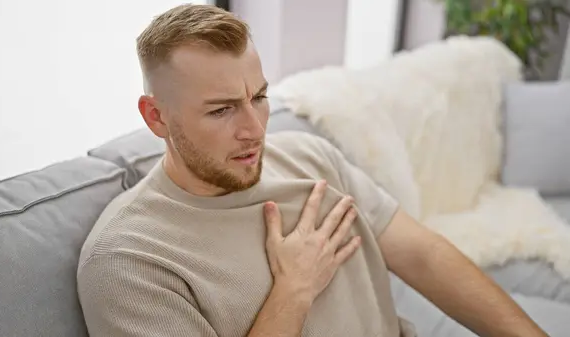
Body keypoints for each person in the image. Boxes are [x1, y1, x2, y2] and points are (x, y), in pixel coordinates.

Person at [77, 4, 547, 337]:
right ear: (156, 116)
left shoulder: (306, 155)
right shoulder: (129, 260)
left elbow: (423, 256)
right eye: (221, 111)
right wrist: (293, 289)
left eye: (258, 97)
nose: (254, 129)